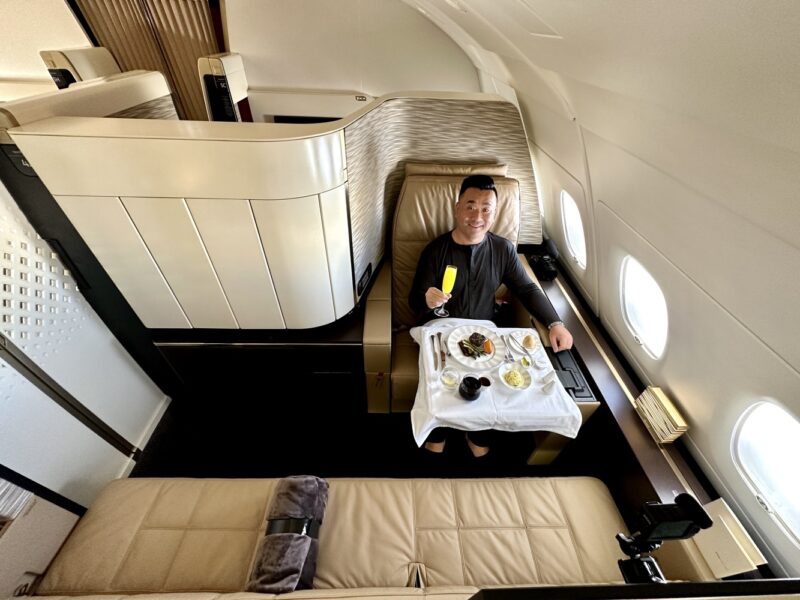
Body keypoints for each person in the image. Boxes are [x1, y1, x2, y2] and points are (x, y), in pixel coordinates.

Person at [408, 174, 574, 457]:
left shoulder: (502, 249)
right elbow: (414, 302)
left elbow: (526, 288)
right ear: (457, 207)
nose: (478, 216)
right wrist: (426, 298)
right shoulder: (436, 250)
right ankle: (440, 430)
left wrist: (555, 322)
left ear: (495, 214)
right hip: (440, 329)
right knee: (441, 397)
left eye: (487, 209)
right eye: (471, 206)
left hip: (483, 332)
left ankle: (476, 430)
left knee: (485, 399)